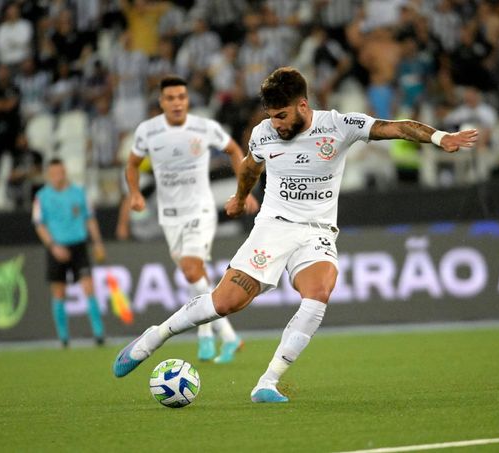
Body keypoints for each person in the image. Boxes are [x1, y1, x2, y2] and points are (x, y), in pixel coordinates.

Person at [113, 67, 477, 402]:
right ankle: (154, 337)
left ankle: (267, 382)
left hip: (317, 232)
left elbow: (395, 127)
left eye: (282, 116)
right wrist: (240, 199)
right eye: (271, 116)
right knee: (225, 303)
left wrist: (440, 137)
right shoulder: (263, 133)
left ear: (303, 105)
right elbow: (249, 169)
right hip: (273, 228)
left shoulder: (338, 125)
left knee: (319, 292)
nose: (276, 124)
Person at [123, 75, 259, 363]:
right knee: (195, 279)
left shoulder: (204, 127)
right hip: (170, 217)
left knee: (190, 270)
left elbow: (235, 151)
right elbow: (132, 164)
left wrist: (242, 191)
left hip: (200, 210)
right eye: (170, 98)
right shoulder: (147, 131)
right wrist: (134, 193)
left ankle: (211, 337)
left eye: (181, 97)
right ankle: (225, 338)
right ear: (161, 102)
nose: (176, 103)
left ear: (187, 100)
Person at [33, 158, 106, 347]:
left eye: (60, 173)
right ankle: (63, 338)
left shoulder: (79, 193)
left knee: (89, 288)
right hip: (56, 247)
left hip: (78, 246)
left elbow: (90, 219)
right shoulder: (42, 197)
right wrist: (53, 246)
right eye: (54, 173)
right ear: (48, 175)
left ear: (65, 173)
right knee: (59, 293)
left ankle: (99, 334)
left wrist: (97, 243)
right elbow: (39, 225)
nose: (57, 177)